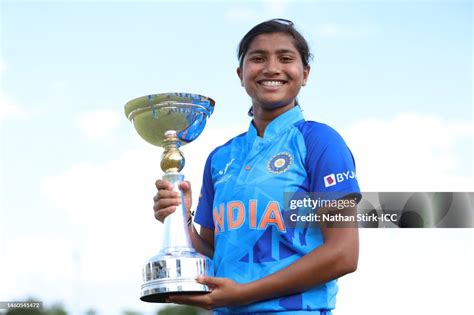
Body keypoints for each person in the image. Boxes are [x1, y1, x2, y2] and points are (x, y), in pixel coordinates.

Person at [153, 18, 360, 314]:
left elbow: (343, 254)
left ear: (305, 73)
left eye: (286, 58)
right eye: (258, 58)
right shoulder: (221, 157)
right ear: (241, 73)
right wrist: (181, 221)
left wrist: (243, 294)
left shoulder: (321, 142)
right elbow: (217, 256)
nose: (272, 68)